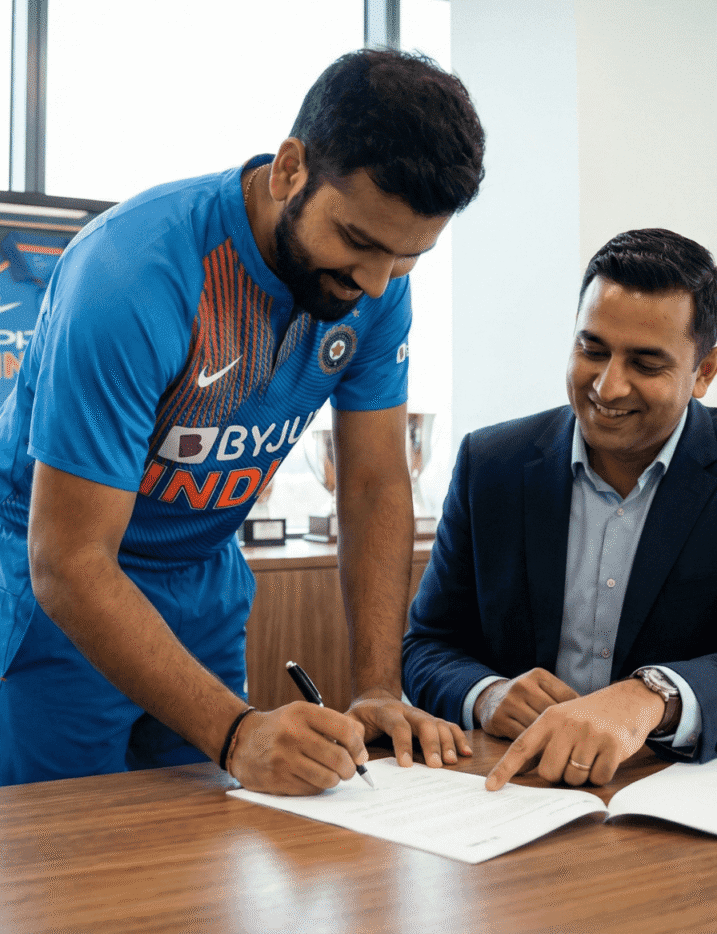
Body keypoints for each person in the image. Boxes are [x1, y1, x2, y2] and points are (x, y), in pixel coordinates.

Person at [0, 49, 485, 790]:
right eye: (357, 241)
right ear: (291, 168)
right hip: (63, 587)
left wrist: (377, 688)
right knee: (64, 866)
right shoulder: (133, 273)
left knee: (207, 852)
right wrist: (234, 732)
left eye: (408, 257)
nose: (374, 283)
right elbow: (68, 558)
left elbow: (373, 484)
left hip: (202, 578)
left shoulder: (377, 286)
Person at [403, 228, 717, 790]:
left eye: (645, 364)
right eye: (592, 349)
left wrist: (655, 696)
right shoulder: (491, 463)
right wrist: (486, 694)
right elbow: (428, 645)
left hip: (676, 805)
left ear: (704, 372)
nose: (608, 385)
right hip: (516, 795)